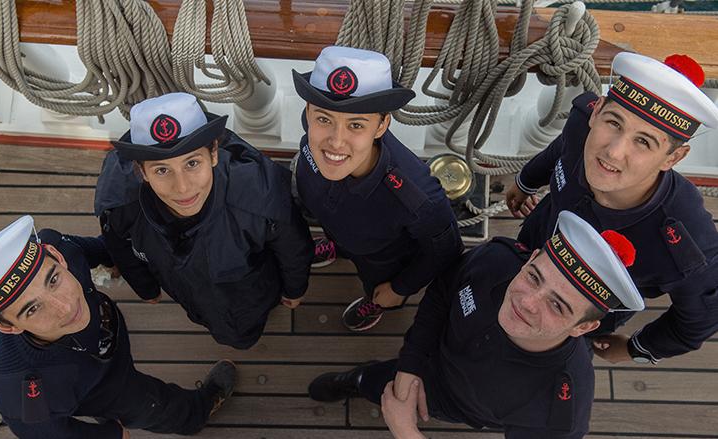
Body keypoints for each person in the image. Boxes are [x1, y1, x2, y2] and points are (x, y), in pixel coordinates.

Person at [308, 211, 645, 438]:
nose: (526, 302)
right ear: (528, 259)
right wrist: (410, 365)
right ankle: (355, 380)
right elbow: (442, 292)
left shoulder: (561, 410)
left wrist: (407, 432)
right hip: (425, 357)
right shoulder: (495, 261)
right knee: (372, 380)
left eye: (557, 305)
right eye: (533, 276)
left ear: (582, 328)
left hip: (460, 404)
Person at [506, 52, 718, 364]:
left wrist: (636, 348)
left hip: (583, 314)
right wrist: (525, 183)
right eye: (614, 122)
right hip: (532, 250)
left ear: (672, 159)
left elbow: (698, 320)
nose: (614, 152)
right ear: (597, 113)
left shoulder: (686, 242)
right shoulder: (581, 125)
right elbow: (560, 148)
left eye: (643, 142)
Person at [0, 216, 235, 438]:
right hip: (105, 390)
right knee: (160, 407)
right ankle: (199, 412)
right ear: (6, 327)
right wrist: (108, 434)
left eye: (54, 280)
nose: (66, 307)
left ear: (57, 257)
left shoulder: (61, 247)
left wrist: (116, 259)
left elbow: (90, 249)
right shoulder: (22, 385)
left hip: (109, 335)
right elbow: (43, 433)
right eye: (32, 309)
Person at [95, 92, 314, 350]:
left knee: (241, 336)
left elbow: (293, 245)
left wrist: (294, 289)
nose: (183, 187)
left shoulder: (259, 196)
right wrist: (146, 289)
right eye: (162, 170)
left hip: (250, 293)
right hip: (187, 293)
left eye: (192, 163)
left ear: (213, 153)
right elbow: (120, 245)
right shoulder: (121, 208)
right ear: (142, 171)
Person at [291, 45, 463, 331]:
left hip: (382, 259)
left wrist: (399, 287)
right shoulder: (312, 135)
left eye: (356, 125)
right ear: (308, 113)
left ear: (382, 125)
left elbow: (445, 249)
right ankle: (338, 246)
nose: (335, 141)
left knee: (378, 289)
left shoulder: (415, 196)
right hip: (338, 227)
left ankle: (379, 302)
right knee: (342, 235)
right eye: (324, 119)